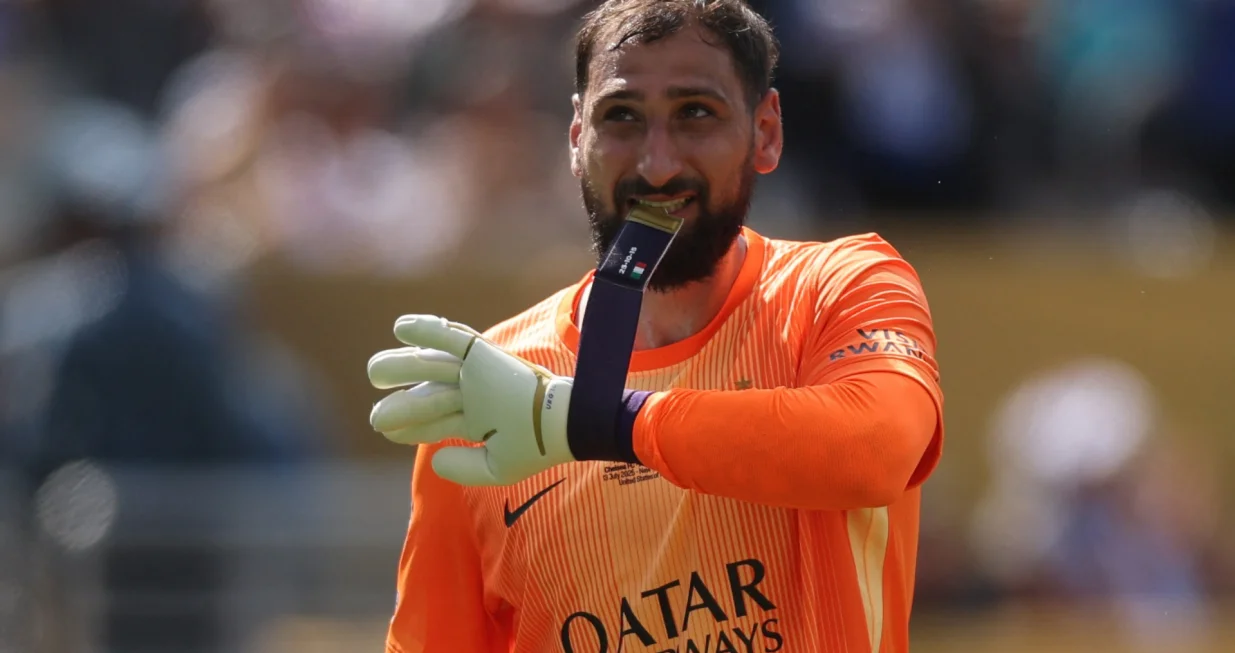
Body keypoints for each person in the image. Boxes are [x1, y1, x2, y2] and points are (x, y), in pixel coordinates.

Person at [367, 1, 944, 651]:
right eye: (622, 117)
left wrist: (596, 422)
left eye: (695, 113)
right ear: (575, 138)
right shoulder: (487, 394)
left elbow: (875, 448)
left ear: (766, 133)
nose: (657, 164)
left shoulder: (841, 286)